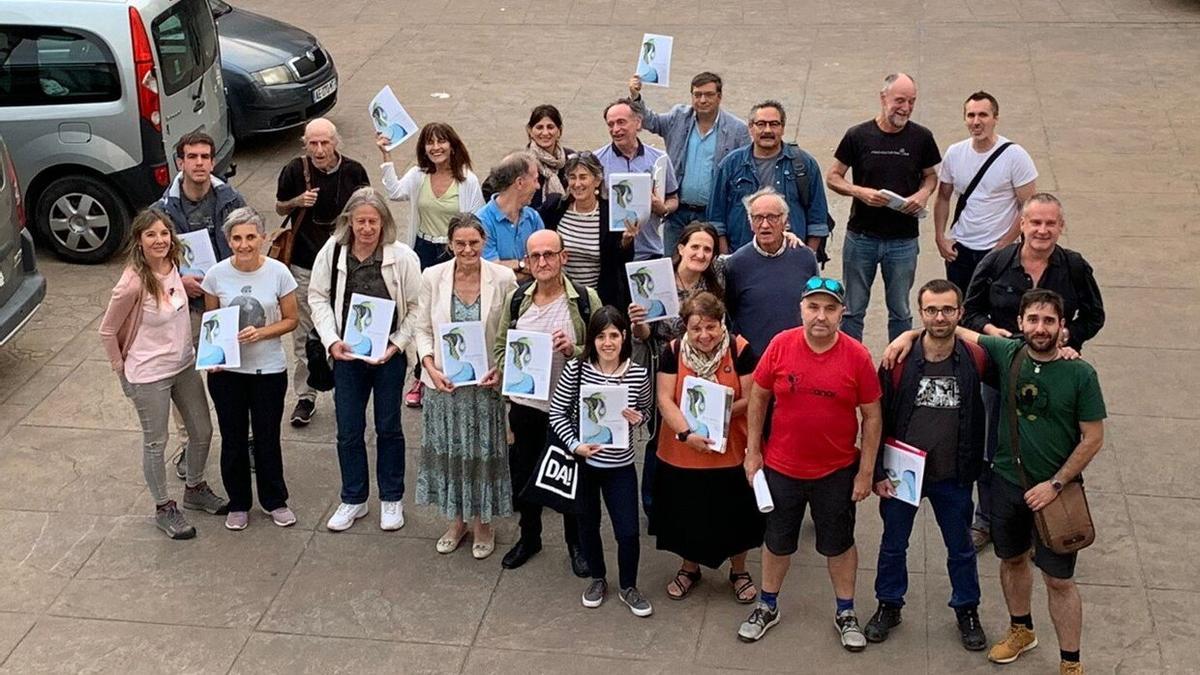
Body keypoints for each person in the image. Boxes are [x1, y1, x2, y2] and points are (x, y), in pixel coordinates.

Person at [884, 289, 1105, 675]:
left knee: (1059, 580)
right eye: (1033, 320)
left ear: (1062, 327)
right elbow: (955, 329)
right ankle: (1021, 630)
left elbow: (1093, 438)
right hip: (1005, 481)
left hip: (1056, 492)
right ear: (1020, 324)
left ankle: (1071, 661)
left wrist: (1055, 483)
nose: (1040, 328)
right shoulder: (1007, 353)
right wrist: (907, 335)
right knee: (1012, 559)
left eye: (1049, 321)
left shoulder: (1079, 372)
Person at [737, 277, 881, 651]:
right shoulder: (781, 345)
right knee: (777, 542)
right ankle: (767, 605)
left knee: (839, 545)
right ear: (801, 308)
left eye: (830, 308)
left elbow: (872, 416)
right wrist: (753, 452)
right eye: (813, 307)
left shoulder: (857, 356)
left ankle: (846, 612)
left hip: (835, 471)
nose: (821, 316)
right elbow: (759, 398)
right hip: (782, 467)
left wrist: (865, 472)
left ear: (842, 313)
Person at [963, 193, 1104, 550]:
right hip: (1002, 374)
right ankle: (988, 519)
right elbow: (971, 312)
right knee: (991, 447)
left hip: (1058, 377)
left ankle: (1055, 514)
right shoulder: (996, 263)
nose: (1042, 230)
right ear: (1022, 224)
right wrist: (992, 333)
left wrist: (1069, 334)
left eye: (1050, 223)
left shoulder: (1074, 267)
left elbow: (1094, 315)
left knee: (1055, 446)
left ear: (1061, 227)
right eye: (1035, 222)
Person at [865, 279, 988, 651]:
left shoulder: (976, 358)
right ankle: (889, 604)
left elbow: (1018, 352)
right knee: (892, 545)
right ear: (921, 313)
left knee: (961, 548)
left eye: (947, 309)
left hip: (954, 475)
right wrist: (875, 473)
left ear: (960, 313)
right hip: (903, 475)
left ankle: (967, 609)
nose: (939, 317)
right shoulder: (897, 361)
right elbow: (876, 418)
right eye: (931, 310)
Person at [98, 208, 229, 539]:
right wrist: (121, 373)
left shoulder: (173, 268)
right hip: (148, 375)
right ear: (139, 242)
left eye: (164, 233)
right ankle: (164, 507)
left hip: (183, 365)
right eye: (150, 235)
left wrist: (183, 282)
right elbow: (106, 331)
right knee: (156, 442)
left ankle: (195, 488)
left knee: (202, 430)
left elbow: (171, 291)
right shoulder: (130, 284)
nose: (159, 240)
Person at [309, 188, 421, 533]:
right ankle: (353, 498)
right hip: (347, 356)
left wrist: (398, 345)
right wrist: (332, 341)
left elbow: (417, 307)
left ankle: (391, 498)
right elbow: (317, 297)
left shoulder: (402, 257)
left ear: (384, 222)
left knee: (388, 427)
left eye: (373, 221)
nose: (367, 228)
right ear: (349, 222)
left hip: (387, 357)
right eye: (361, 221)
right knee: (348, 430)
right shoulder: (333, 252)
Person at [493, 229, 601, 574]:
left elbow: (606, 351)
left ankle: (576, 543)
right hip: (527, 406)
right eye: (535, 256)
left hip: (569, 407)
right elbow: (499, 348)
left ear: (563, 257)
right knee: (525, 474)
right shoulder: (517, 300)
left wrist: (575, 350)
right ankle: (530, 536)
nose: (542, 262)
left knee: (570, 477)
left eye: (549, 255)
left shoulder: (585, 299)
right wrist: (509, 376)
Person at [412, 214, 517, 559]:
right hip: (446, 386)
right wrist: (429, 365)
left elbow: (513, 331)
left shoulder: (502, 278)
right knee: (452, 456)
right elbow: (422, 327)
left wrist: (502, 369)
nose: (468, 249)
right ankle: (457, 521)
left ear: (484, 242)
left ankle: (483, 523)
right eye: (460, 243)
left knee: (483, 454)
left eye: (474, 242)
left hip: (486, 386)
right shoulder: (433, 276)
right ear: (450, 244)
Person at [652, 291, 764, 604]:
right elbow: (664, 398)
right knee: (687, 514)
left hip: (730, 452)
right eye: (696, 328)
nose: (705, 335)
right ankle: (689, 568)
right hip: (682, 451)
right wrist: (688, 432)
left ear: (722, 323)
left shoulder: (740, 349)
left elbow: (753, 397)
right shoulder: (672, 351)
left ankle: (739, 571)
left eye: (711, 327)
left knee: (736, 516)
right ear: (685, 328)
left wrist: (718, 411)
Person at [549, 306, 654, 616]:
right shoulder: (577, 370)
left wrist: (637, 420)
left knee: (628, 531)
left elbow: (647, 411)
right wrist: (575, 445)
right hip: (586, 465)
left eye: (614, 335)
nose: (608, 343)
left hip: (620, 466)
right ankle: (597, 578)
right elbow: (557, 413)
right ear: (592, 340)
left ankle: (628, 586)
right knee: (587, 525)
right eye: (600, 336)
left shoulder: (637, 374)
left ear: (624, 337)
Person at [200, 207, 300, 530]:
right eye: (237, 238)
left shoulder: (278, 273)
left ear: (263, 237)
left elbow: (291, 319)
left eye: (251, 237)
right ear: (228, 240)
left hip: (268, 371)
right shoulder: (215, 275)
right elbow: (211, 323)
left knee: (268, 437)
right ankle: (239, 502)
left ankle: (275, 500)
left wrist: (262, 332)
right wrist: (214, 357)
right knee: (233, 438)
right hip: (228, 374)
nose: (244, 245)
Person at [157, 131, 247, 477]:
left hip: (226, 306)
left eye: (205, 157)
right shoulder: (162, 210)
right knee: (185, 381)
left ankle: (246, 438)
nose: (199, 163)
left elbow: (249, 242)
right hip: (186, 309)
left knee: (238, 375)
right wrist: (178, 280)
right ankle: (187, 446)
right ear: (180, 161)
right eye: (191, 156)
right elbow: (148, 265)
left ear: (213, 161)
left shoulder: (231, 200)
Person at [826, 73, 942, 342]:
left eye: (911, 102)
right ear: (883, 98)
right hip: (862, 237)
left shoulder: (921, 137)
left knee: (901, 311)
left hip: (903, 240)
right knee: (853, 309)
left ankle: (898, 369)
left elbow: (931, 176)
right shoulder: (858, 135)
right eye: (899, 100)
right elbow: (833, 176)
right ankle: (853, 365)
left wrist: (923, 195)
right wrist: (860, 192)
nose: (906, 108)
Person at [378, 121, 485, 408]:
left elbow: (476, 222)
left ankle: (456, 369)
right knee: (423, 317)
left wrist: (468, 252)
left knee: (449, 315)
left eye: (441, 142)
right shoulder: (417, 175)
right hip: (423, 252)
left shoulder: (468, 181)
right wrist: (386, 155)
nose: (436, 148)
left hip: (455, 252)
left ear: (452, 145)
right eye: (430, 143)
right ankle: (421, 376)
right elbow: (394, 192)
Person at [275, 118, 370, 427]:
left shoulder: (353, 171)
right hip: (304, 265)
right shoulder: (294, 170)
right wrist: (297, 202)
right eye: (313, 143)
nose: (319, 149)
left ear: (335, 143)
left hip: (346, 266)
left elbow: (369, 208)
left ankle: (348, 391)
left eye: (324, 143)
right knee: (305, 333)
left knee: (348, 329)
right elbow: (279, 207)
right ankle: (305, 396)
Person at [629, 221, 726, 516]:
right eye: (694, 246)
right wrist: (638, 323)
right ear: (681, 248)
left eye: (707, 249)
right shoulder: (658, 280)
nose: (700, 253)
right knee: (661, 433)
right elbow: (646, 337)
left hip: (705, 370)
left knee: (696, 431)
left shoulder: (716, 278)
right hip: (666, 367)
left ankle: (691, 497)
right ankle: (652, 502)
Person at [627, 72, 750, 255]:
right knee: (672, 264)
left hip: (712, 215)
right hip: (677, 213)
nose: (702, 100)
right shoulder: (678, 117)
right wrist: (635, 96)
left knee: (707, 265)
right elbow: (650, 121)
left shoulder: (737, 130)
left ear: (719, 96)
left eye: (708, 95)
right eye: (697, 94)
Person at [934, 92, 1038, 294]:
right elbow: (943, 196)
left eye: (983, 115)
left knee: (997, 311)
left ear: (995, 119)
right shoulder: (955, 153)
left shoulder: (1015, 156)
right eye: (971, 116)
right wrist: (940, 237)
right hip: (960, 249)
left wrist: (1004, 245)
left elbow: (1028, 207)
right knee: (960, 310)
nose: (976, 122)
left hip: (997, 248)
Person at [708, 101, 829, 254]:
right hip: (740, 256)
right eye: (761, 124)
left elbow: (817, 220)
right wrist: (727, 259)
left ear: (783, 128)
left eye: (774, 124)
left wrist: (806, 257)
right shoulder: (730, 165)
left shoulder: (805, 164)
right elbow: (716, 219)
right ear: (751, 128)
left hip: (790, 258)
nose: (767, 130)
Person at [723, 188, 820, 359]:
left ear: (785, 221)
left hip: (798, 356)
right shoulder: (736, 264)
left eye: (772, 217)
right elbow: (730, 316)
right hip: (753, 362)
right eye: (758, 218)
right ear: (751, 224)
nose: (765, 225)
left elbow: (815, 305)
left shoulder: (805, 257)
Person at [541, 151, 634, 308]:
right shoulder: (555, 207)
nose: (577, 184)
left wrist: (626, 241)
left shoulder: (611, 214)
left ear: (597, 180)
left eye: (583, 177)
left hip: (597, 299)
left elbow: (620, 261)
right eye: (572, 177)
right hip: (558, 297)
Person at [593, 98, 680, 259]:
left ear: (638, 123)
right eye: (610, 124)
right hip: (611, 252)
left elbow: (673, 198)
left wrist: (663, 208)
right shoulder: (597, 160)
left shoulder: (659, 159)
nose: (615, 129)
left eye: (621, 122)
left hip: (649, 249)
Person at [476, 151, 545, 280]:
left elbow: (543, 265)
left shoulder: (533, 217)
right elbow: (491, 271)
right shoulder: (481, 221)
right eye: (535, 180)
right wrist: (523, 264)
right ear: (519, 183)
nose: (538, 186)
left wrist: (509, 267)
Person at [524, 105, 575, 218]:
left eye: (550, 127)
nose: (545, 133)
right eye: (539, 127)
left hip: (567, 225)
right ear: (530, 131)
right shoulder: (522, 162)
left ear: (559, 131)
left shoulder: (571, 159)